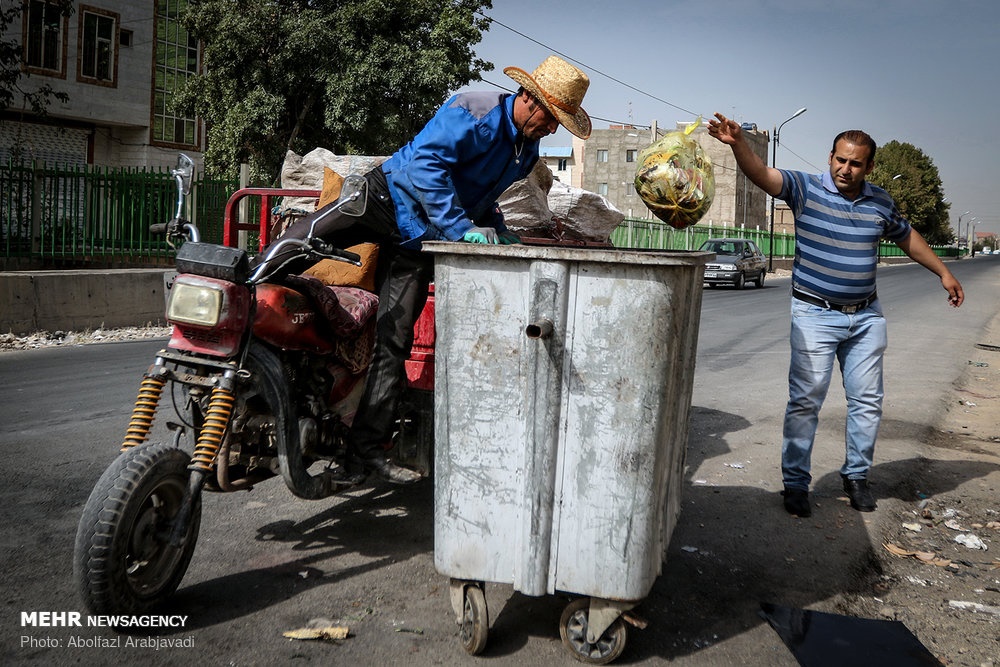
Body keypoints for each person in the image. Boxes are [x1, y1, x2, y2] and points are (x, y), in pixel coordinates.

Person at [268, 56, 592, 484]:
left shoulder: (525, 148)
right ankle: (236, 293)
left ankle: (362, 456)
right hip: (385, 199)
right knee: (298, 245)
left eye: (558, 124)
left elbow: (481, 193)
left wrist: (496, 228)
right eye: (551, 119)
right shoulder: (473, 110)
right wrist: (460, 229)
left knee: (394, 342)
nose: (551, 129)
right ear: (529, 98)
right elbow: (425, 166)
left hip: (419, 236)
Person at [707, 112, 964, 517]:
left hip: (866, 317)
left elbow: (907, 237)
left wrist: (944, 272)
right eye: (840, 160)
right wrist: (739, 143)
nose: (846, 169)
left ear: (869, 167)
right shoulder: (805, 188)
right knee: (805, 401)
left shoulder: (881, 201)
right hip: (814, 314)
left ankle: (856, 476)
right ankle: (796, 483)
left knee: (867, 402)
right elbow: (762, 175)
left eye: (855, 163)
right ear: (830, 158)